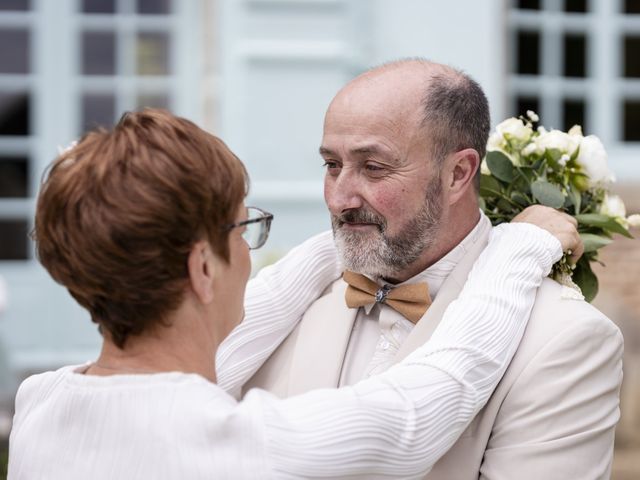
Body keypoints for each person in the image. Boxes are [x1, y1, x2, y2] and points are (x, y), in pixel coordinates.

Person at [8, 109, 580, 479]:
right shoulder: (257, 447)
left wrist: (356, 236)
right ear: (203, 267)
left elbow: (226, 339)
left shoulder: (41, 405)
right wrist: (521, 246)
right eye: (243, 231)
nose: (253, 257)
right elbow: (439, 391)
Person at [230, 59, 624, 479]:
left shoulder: (564, 338)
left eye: (373, 167)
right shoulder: (276, 310)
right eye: (331, 165)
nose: (339, 198)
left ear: (458, 174)